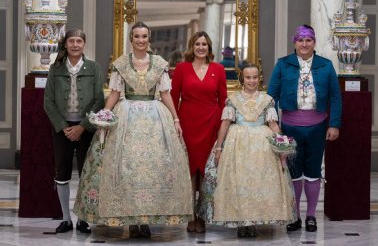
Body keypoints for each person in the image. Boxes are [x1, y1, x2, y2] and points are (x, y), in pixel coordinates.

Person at [73, 22, 193, 238]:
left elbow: (165, 94)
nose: (140, 40)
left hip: (156, 118)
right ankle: (130, 219)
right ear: (131, 39)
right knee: (125, 169)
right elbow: (114, 94)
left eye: (144, 36)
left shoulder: (159, 64)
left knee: (152, 170)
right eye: (137, 36)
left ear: (149, 39)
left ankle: (146, 219)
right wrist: (104, 116)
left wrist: (175, 118)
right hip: (126, 118)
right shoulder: (121, 64)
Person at [198, 64, 296, 237]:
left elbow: (273, 124)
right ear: (242, 79)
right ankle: (241, 222)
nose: (252, 81)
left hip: (262, 146)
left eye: (255, 77)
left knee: (258, 183)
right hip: (237, 144)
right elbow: (225, 124)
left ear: (259, 78)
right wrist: (219, 147)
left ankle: (254, 221)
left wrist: (282, 145)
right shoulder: (233, 100)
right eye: (248, 77)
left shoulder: (267, 100)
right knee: (239, 182)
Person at [267, 24, 342, 232]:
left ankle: (310, 216)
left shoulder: (326, 65)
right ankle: (294, 216)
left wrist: (334, 124)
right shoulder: (283, 64)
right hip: (290, 126)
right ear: (294, 42)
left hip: (317, 127)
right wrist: (273, 126)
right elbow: (271, 96)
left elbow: (335, 97)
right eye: (300, 40)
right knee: (293, 172)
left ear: (314, 42)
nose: (304, 44)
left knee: (313, 171)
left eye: (308, 40)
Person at [44, 29, 105, 234]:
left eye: (79, 41)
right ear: (66, 44)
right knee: (62, 172)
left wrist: (82, 126)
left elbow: (99, 100)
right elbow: (48, 102)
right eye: (72, 41)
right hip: (62, 129)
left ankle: (83, 219)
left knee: (86, 173)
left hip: (86, 128)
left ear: (84, 44)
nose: (76, 44)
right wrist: (63, 127)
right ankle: (66, 218)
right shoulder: (56, 68)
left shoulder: (93, 68)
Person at [171, 31, 227, 233]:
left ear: (209, 47)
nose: (201, 47)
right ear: (191, 47)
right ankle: (190, 215)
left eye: (204, 44)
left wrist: (220, 126)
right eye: (197, 44)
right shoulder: (181, 68)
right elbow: (173, 96)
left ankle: (202, 215)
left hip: (210, 123)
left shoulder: (218, 69)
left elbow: (223, 100)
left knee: (206, 169)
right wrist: (175, 123)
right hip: (187, 122)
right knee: (189, 169)